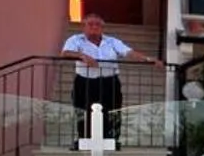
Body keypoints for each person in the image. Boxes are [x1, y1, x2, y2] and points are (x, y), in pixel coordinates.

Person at [61, 12, 155, 145]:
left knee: (112, 110)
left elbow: (128, 52)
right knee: (83, 110)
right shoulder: (75, 39)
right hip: (85, 81)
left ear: (102, 27)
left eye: (98, 24)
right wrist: (83, 56)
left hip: (109, 82)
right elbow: (66, 53)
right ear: (84, 26)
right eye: (91, 24)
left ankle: (112, 141)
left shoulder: (111, 41)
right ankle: (84, 140)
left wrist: (148, 59)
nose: (94, 27)